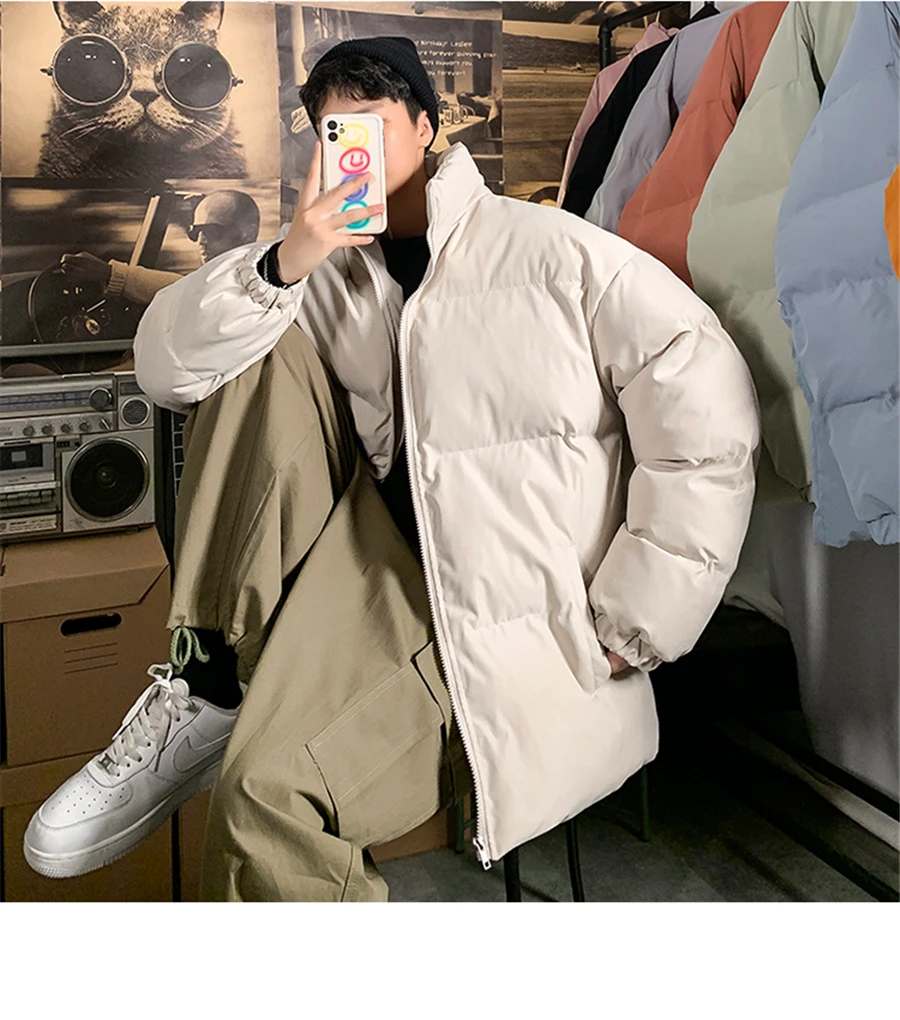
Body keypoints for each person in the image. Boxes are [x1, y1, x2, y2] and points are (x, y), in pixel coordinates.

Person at [23, 36, 760, 900]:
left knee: (262, 805)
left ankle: (230, 702)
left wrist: (640, 613)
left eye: (372, 123)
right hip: (360, 564)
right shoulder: (315, 264)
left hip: (506, 613)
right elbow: (165, 369)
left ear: (425, 125)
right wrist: (286, 263)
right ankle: (208, 677)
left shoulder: (556, 252)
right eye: (335, 132)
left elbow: (707, 403)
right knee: (256, 342)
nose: (356, 148)